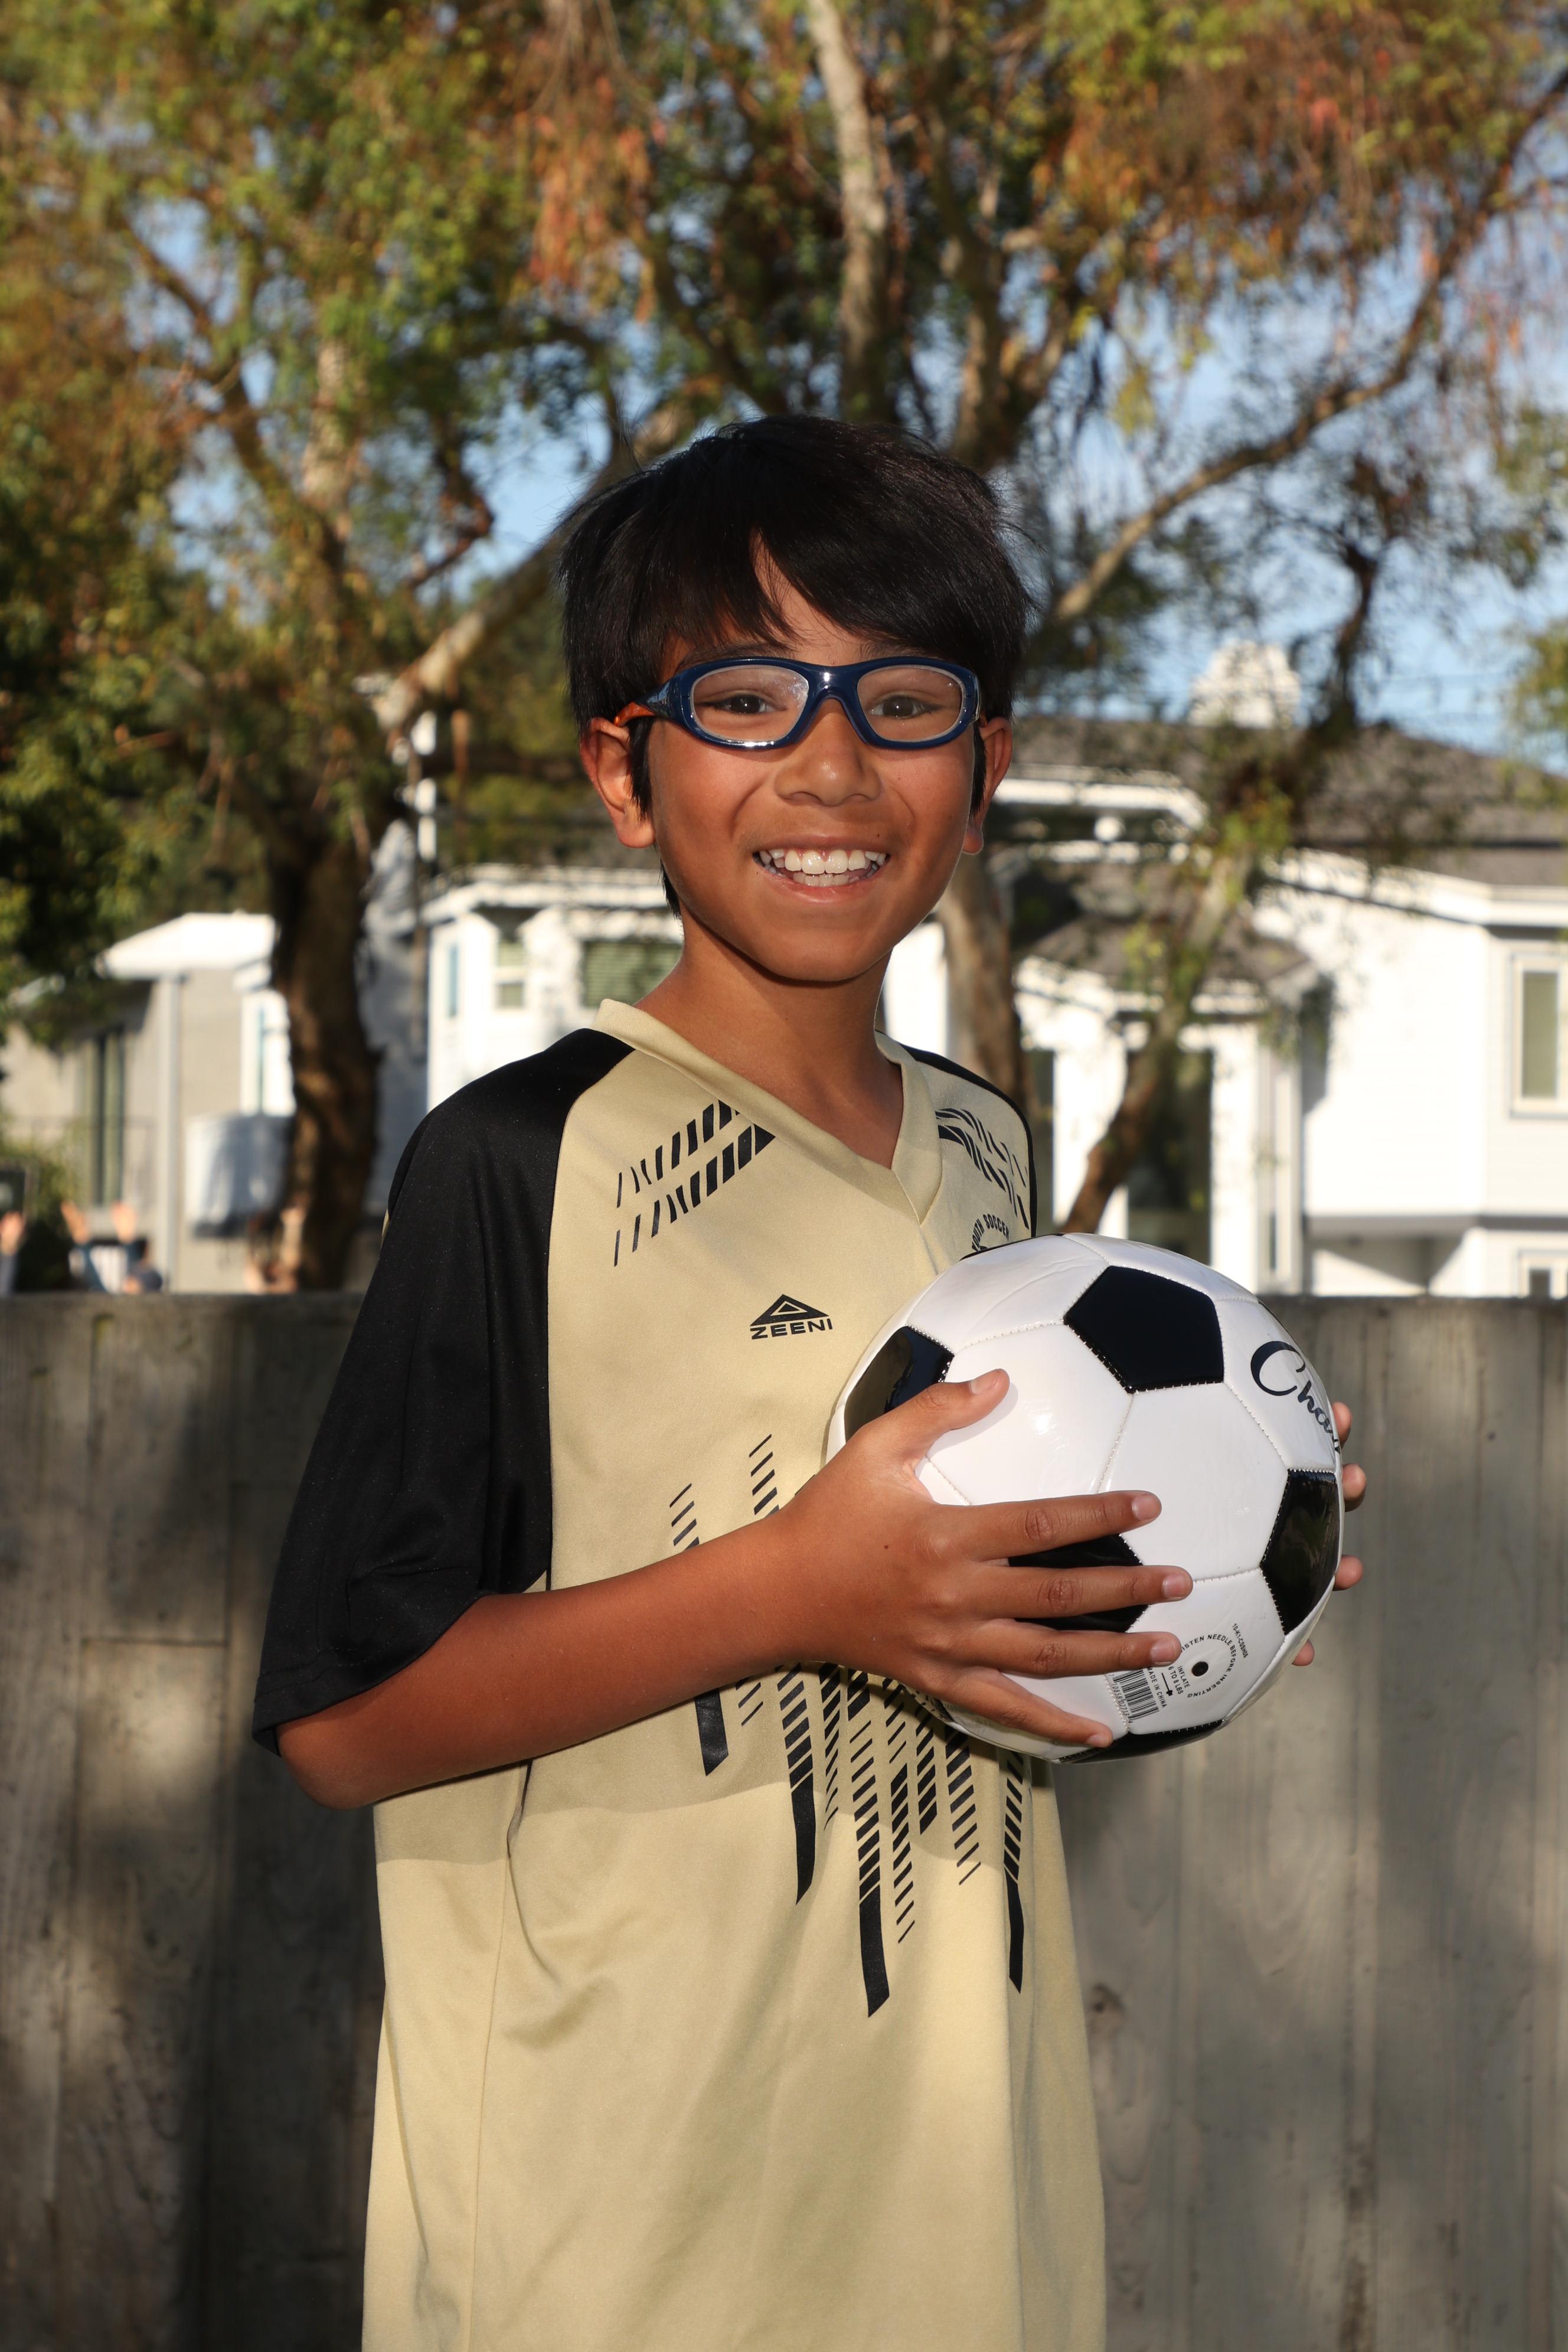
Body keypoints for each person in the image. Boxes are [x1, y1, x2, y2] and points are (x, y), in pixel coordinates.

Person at [255, 417, 1366, 2352]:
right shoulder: (522, 1157)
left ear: (986, 772)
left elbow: (977, 1637)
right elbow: (344, 1723)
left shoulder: (991, 1154)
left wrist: (1198, 1563)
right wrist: (796, 1588)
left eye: (904, 703)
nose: (832, 767)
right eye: (748, 700)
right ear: (626, 770)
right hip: (614, 2249)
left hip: (963, 2220)